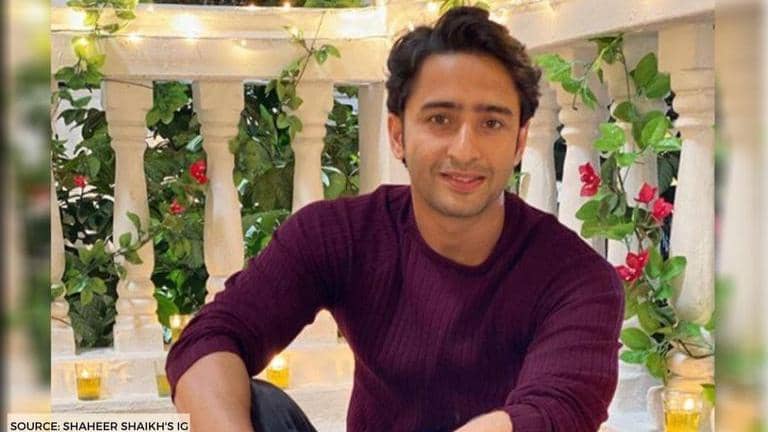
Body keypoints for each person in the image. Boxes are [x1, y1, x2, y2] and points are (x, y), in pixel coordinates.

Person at [167, 6, 624, 432]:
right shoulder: (343, 234)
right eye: (440, 119)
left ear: (520, 142)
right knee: (258, 405)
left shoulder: (577, 279)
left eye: (492, 124)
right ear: (398, 133)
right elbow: (213, 337)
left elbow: (554, 410)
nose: (465, 150)